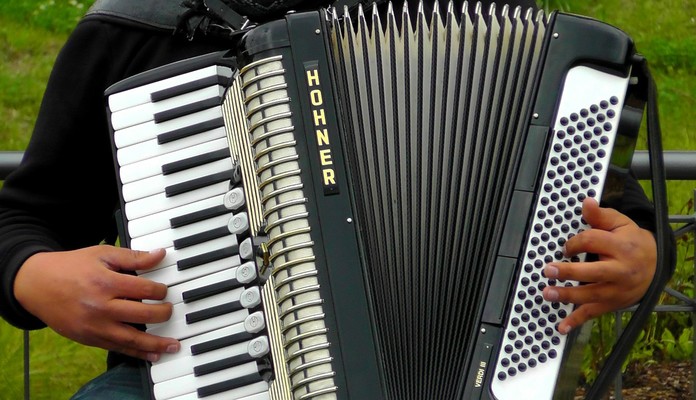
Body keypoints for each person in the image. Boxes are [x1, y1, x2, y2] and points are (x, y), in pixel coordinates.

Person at [0, 0, 664, 398]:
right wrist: (35, 276)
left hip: (479, 374)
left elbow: (620, 220)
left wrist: (638, 259)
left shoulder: (472, 25)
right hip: (186, 374)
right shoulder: (137, 29)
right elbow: (24, 217)